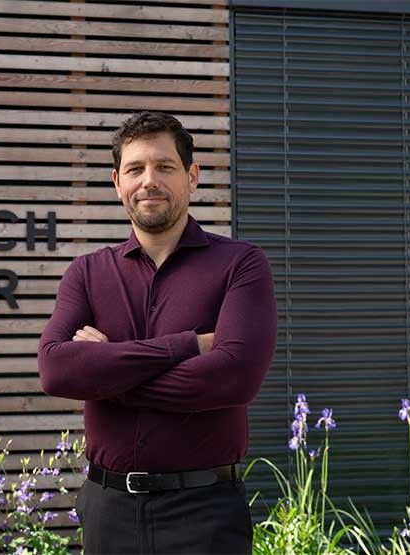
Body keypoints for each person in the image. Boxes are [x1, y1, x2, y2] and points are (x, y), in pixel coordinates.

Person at [37, 111, 277, 554]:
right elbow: (55, 370)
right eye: (135, 169)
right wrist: (187, 345)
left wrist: (108, 373)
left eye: (164, 167)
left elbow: (233, 377)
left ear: (192, 176)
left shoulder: (240, 265)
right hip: (108, 512)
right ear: (117, 182)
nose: (149, 180)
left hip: (205, 513)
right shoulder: (87, 273)